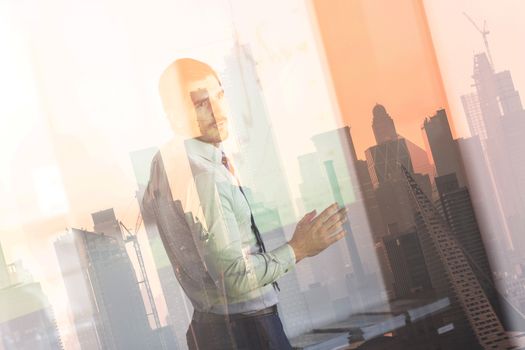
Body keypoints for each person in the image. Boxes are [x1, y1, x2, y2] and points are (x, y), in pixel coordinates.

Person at [143, 58, 348, 350]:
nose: (218, 112)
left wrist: (298, 248)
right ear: (175, 117)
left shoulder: (166, 162)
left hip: (215, 325)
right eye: (202, 103)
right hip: (249, 331)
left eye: (219, 96)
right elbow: (233, 280)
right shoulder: (205, 179)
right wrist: (298, 248)